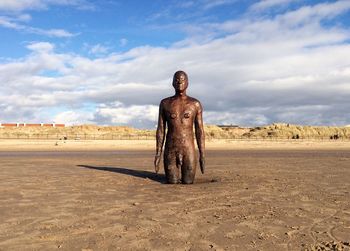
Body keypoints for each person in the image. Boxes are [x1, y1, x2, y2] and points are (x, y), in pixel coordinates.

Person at [154, 70, 205, 184]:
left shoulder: (195, 104)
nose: (179, 82)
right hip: (171, 149)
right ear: (172, 83)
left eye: (182, 80)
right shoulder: (165, 103)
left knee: (188, 182)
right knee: (172, 182)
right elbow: (161, 130)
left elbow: (199, 130)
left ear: (187, 82)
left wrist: (202, 155)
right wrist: (158, 154)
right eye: (176, 80)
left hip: (188, 149)